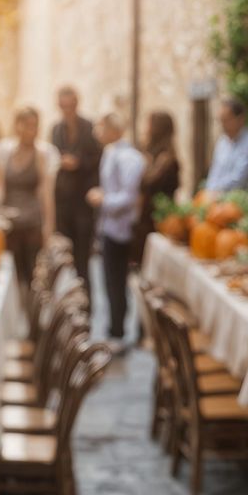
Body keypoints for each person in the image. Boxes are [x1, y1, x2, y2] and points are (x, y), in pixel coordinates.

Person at [0, 104, 58, 298]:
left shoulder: (43, 154)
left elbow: (46, 193)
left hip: (31, 223)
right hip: (8, 224)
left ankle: (29, 320)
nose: (31, 130)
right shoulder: (3, 150)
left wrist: (48, 228)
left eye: (35, 125)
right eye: (27, 125)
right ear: (17, 126)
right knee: (8, 275)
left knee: (31, 277)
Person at [88, 112, 145, 345]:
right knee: (110, 280)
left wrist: (103, 200)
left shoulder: (129, 157)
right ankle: (114, 327)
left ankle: (119, 330)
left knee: (118, 280)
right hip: (109, 226)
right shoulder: (111, 152)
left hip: (121, 228)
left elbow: (128, 197)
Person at [49, 85, 100, 293]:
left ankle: (87, 308)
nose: (66, 109)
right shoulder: (55, 129)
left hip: (83, 203)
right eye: (63, 106)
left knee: (83, 260)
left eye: (69, 105)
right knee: (65, 258)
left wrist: (78, 163)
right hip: (63, 203)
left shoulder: (89, 127)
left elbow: (97, 160)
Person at [133, 110, 181, 258]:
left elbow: (148, 183)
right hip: (146, 216)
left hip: (157, 217)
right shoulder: (150, 153)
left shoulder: (166, 158)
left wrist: (147, 168)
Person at [204, 96, 248, 193]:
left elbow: (239, 179)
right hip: (216, 199)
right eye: (221, 120)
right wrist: (208, 191)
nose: (223, 124)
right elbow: (215, 172)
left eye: (226, 120)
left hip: (242, 201)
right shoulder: (222, 142)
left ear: (240, 119)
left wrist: (215, 191)